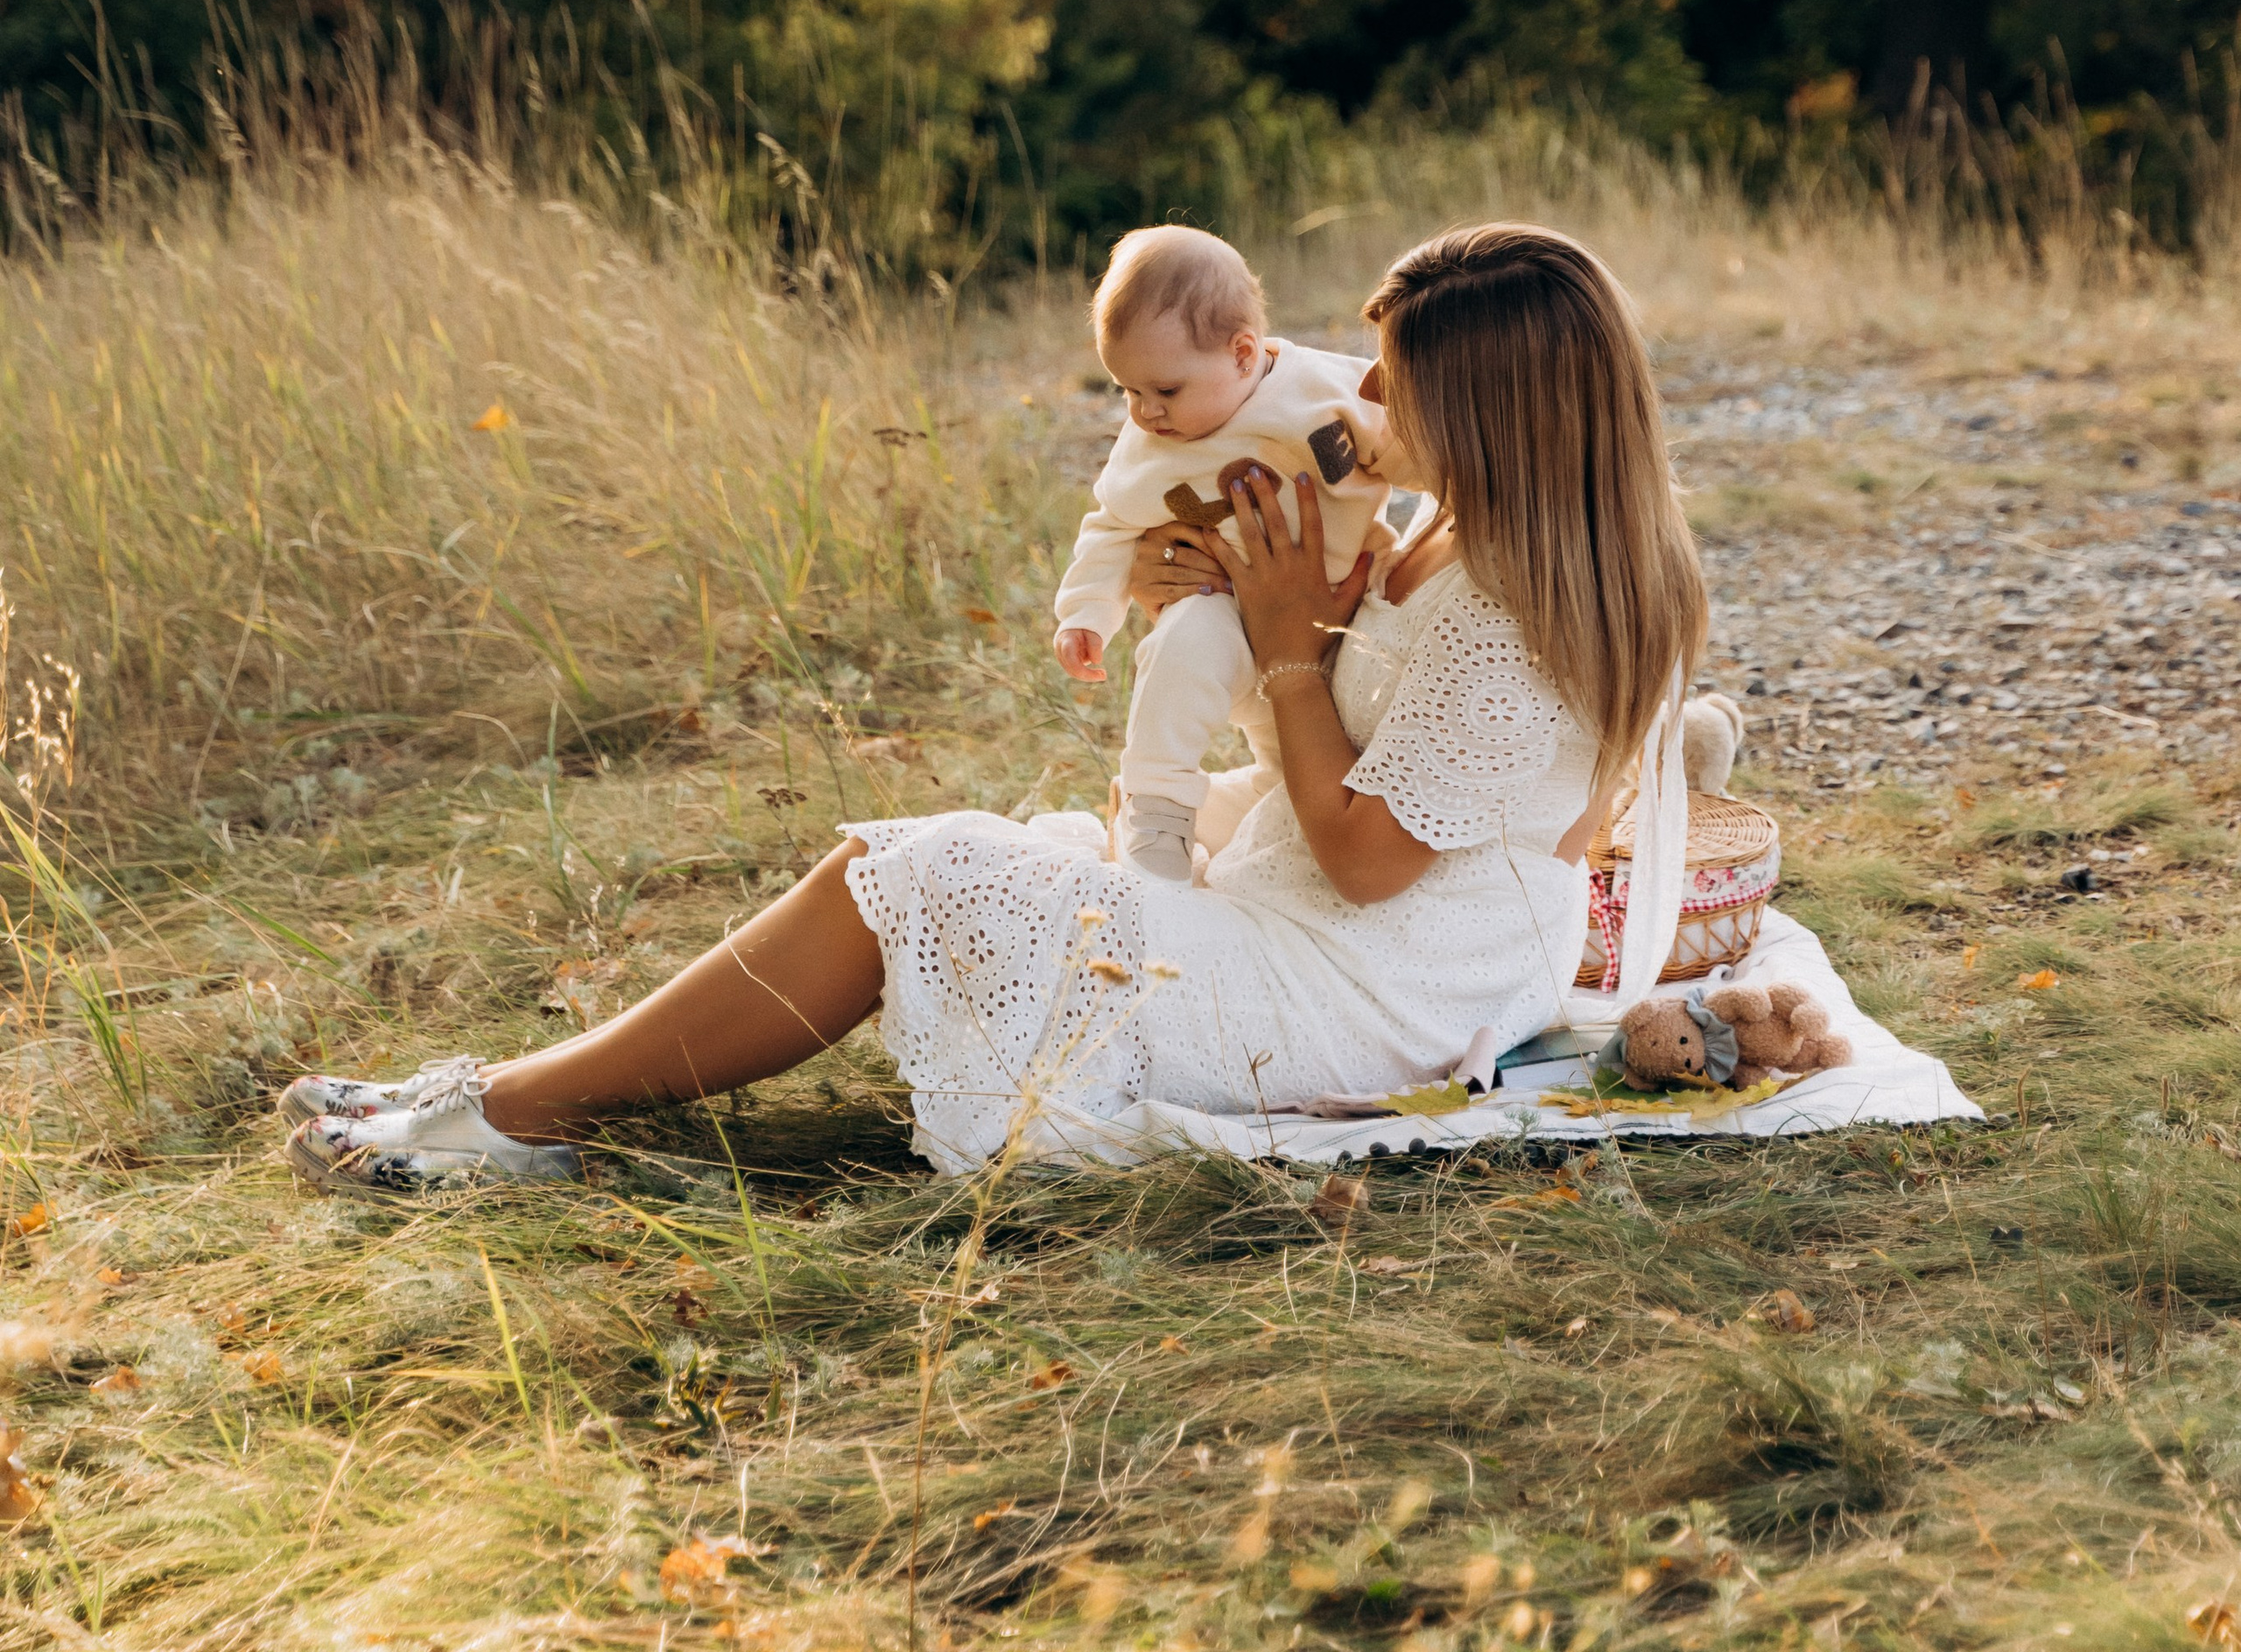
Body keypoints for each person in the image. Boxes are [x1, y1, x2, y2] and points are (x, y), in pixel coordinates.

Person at [282, 222, 1709, 1192]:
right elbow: (1344, 737)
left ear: (1495, 415)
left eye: (1399, 381)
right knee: (921, 864)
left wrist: (1285, 648)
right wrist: (1218, 599)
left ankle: (511, 1115)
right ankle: (514, 1094)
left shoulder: (1521, 613)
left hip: (1374, 985)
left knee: (940, 871)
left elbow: (1366, 857)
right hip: (1322, 915)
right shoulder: (1440, 527)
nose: (1362, 393)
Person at [1053, 221, 1394, 881]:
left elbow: (1406, 444)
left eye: (1165, 391)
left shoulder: (1324, 390)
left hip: (1353, 616)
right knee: (1181, 645)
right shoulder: (1149, 447)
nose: (1145, 412)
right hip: (1231, 624)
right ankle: (1156, 810)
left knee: (1296, 780)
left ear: (1242, 354)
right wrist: (1085, 614)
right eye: (1128, 391)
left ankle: (1260, 826)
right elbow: (1111, 524)